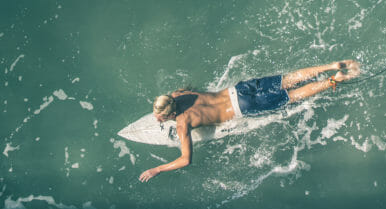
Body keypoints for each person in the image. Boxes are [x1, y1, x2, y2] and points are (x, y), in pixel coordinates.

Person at [138, 60, 361, 182]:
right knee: (289, 79)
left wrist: (158, 169)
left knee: (293, 96)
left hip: (243, 107)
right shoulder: (180, 94)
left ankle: (334, 80)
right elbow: (190, 87)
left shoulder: (182, 124)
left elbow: (186, 159)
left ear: (169, 114)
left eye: (160, 116)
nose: (157, 118)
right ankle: (332, 65)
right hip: (240, 89)